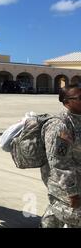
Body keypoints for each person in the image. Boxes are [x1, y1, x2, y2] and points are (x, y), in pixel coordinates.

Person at [40, 84, 81, 228]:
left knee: (58, 215)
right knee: (74, 216)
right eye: (80, 98)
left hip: (77, 179)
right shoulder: (59, 125)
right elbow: (59, 163)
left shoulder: (79, 119)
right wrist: (72, 192)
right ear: (66, 102)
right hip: (63, 182)